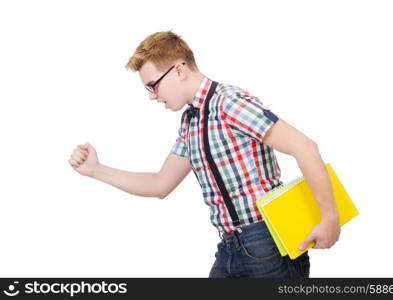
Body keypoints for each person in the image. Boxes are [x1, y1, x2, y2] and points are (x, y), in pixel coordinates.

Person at [68, 31, 340, 278]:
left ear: (179, 70)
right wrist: (95, 169)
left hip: (265, 242)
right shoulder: (191, 122)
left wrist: (329, 218)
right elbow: (160, 184)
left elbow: (304, 147)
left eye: (153, 85)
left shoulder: (229, 102)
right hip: (229, 247)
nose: (153, 96)